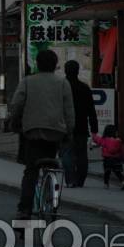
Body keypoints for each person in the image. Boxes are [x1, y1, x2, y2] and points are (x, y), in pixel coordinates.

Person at [10, 49, 75, 216]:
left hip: (32, 133)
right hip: (56, 134)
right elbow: (69, 112)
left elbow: (16, 105)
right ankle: (49, 197)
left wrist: (15, 123)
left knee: (30, 171)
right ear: (55, 65)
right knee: (50, 165)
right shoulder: (63, 83)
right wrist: (69, 133)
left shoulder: (27, 81)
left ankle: (24, 210)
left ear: (37, 64)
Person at [61, 60, 98, 187]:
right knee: (82, 154)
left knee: (67, 153)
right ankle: (80, 179)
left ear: (65, 71)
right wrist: (94, 129)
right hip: (81, 127)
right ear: (78, 71)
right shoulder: (84, 88)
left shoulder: (61, 87)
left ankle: (70, 179)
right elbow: (91, 110)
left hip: (64, 126)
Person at [92, 124, 124, 190]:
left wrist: (94, 135)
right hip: (116, 159)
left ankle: (106, 184)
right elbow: (123, 150)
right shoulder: (119, 141)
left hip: (107, 159)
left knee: (107, 172)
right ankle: (123, 182)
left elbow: (98, 140)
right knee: (118, 172)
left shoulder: (104, 140)